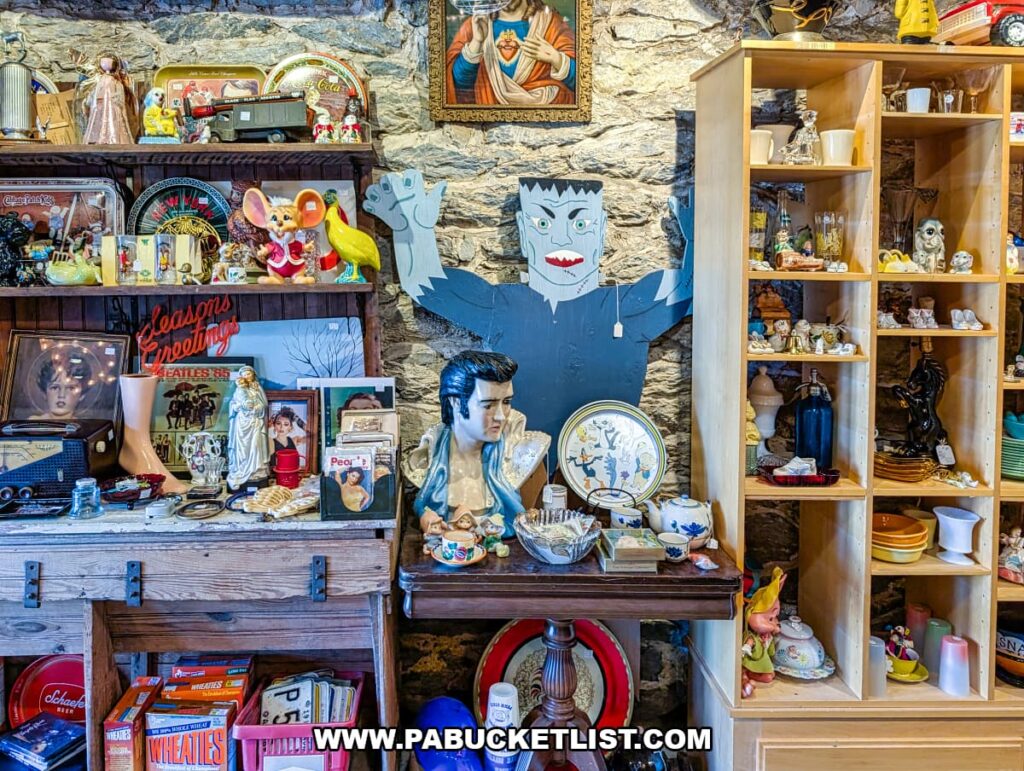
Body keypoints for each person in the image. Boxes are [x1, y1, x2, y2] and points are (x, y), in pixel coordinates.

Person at [365, 171, 690, 453]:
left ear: (601, 231)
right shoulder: (503, 305)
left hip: (606, 468)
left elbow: (692, 287)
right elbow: (427, 283)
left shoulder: (626, 306)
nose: (561, 238)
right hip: (520, 466)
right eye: (543, 223)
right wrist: (413, 230)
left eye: (580, 223)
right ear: (523, 231)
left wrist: (699, 236)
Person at [407, 350, 549, 538]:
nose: (501, 416)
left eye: (506, 402)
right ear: (455, 402)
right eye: (488, 405)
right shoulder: (425, 461)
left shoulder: (517, 455)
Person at [446, 0, 577, 107]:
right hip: (488, 116)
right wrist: (477, 42)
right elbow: (456, 86)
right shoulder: (475, 24)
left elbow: (581, 82)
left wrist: (556, 59)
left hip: (547, 116)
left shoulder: (551, 24)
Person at [226, 366, 270, 490]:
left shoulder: (257, 389)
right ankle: (240, 469)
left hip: (254, 422)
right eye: (244, 374)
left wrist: (256, 408)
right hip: (241, 423)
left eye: (248, 374)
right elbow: (233, 405)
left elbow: (264, 404)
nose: (246, 376)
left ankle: (256, 471)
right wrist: (239, 406)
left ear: (253, 375)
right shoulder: (238, 389)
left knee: (255, 445)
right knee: (241, 448)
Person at [30, 350, 92, 420]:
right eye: (55, 388)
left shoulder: (84, 425)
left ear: (82, 395)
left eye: (71, 388)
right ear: (44, 392)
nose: (61, 395)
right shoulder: (33, 423)